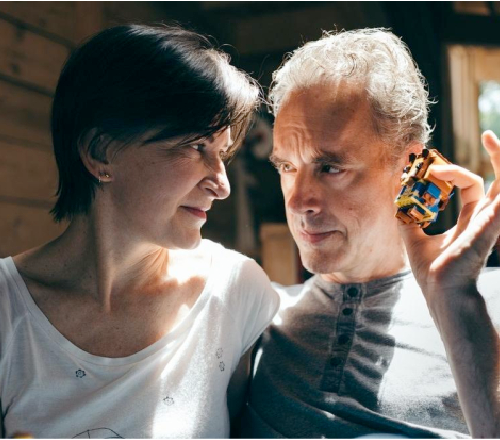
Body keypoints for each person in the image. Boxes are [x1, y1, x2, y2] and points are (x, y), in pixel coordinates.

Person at [0, 24, 280, 439]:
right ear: (100, 153)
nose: (221, 185)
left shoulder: (235, 292)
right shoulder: (6, 312)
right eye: (197, 146)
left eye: (221, 153)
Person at [242, 29, 500, 439]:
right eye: (287, 167)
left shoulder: (488, 307)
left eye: (330, 168)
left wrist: (456, 303)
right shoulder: (255, 316)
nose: (298, 201)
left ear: (409, 166)